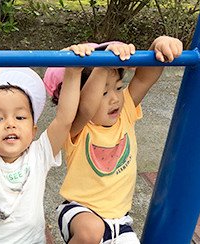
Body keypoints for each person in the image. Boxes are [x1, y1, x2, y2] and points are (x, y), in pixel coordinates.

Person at [44, 36, 183, 243]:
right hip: (80, 213)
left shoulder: (125, 110)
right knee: (91, 230)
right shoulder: (78, 127)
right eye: (103, 92)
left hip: (119, 222)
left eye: (118, 88)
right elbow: (86, 107)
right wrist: (104, 63)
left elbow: (144, 79)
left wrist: (159, 45)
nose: (115, 98)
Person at [0, 43, 80, 243]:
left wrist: (73, 71)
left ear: (34, 130)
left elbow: (64, 119)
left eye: (20, 117)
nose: (10, 124)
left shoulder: (40, 155)